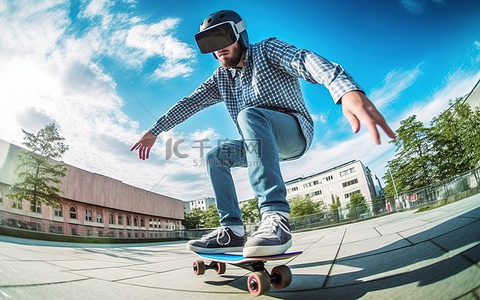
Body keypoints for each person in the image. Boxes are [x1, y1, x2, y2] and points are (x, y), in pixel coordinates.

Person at [131, 10, 395, 257]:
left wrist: (345, 89)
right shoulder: (220, 78)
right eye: (210, 43)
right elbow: (190, 102)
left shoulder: (267, 50)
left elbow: (304, 60)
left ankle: (275, 217)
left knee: (250, 114)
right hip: (258, 142)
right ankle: (232, 230)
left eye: (223, 37)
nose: (219, 48)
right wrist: (155, 130)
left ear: (240, 34)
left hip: (295, 133)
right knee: (216, 156)